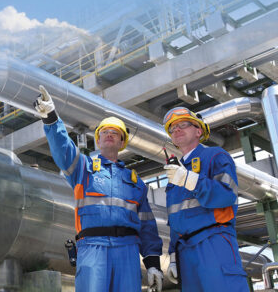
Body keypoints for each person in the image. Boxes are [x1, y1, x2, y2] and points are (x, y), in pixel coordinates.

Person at [35, 85, 164, 291]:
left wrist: (153, 265)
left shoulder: (135, 182)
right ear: (98, 139)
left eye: (115, 133)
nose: (109, 134)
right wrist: (51, 118)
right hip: (92, 247)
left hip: (128, 251)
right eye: (104, 132)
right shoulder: (84, 168)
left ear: (122, 142)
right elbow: (63, 150)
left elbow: (148, 227)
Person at [162, 106, 249, 291]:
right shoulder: (175, 174)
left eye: (183, 125)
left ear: (198, 131)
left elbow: (226, 196)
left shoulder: (215, 155)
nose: (176, 129)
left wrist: (190, 179)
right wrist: (173, 256)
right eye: (172, 128)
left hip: (214, 240)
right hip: (184, 250)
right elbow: (175, 219)